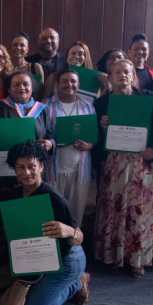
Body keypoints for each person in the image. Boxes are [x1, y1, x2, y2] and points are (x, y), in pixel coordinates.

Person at [92, 59, 153, 278]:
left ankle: (137, 259)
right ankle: (111, 255)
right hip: (113, 163)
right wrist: (101, 127)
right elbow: (93, 137)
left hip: (140, 163)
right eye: (117, 72)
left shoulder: (148, 99)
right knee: (112, 209)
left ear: (133, 74)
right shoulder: (101, 104)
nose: (122, 75)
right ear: (110, 76)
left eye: (127, 71)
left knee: (138, 211)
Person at [4, 140, 89, 305]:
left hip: (67, 259)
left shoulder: (54, 197)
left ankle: (77, 283)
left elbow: (79, 238)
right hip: (41, 258)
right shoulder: (14, 195)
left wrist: (68, 231)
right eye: (20, 167)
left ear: (41, 166)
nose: (26, 172)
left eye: (31, 166)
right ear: (15, 170)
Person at [44, 69, 95, 228]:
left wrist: (90, 145)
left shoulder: (87, 106)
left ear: (78, 84)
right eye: (64, 81)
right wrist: (56, 142)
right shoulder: (46, 105)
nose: (69, 84)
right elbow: (40, 133)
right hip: (52, 171)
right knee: (52, 215)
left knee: (75, 218)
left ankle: (74, 251)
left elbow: (94, 136)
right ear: (57, 84)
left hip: (79, 172)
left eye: (73, 81)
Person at [10, 33, 45, 99]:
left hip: (32, 106)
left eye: (22, 45)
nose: (18, 47)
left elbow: (41, 92)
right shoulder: (5, 68)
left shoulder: (36, 68)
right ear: (11, 48)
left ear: (27, 50)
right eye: (15, 45)